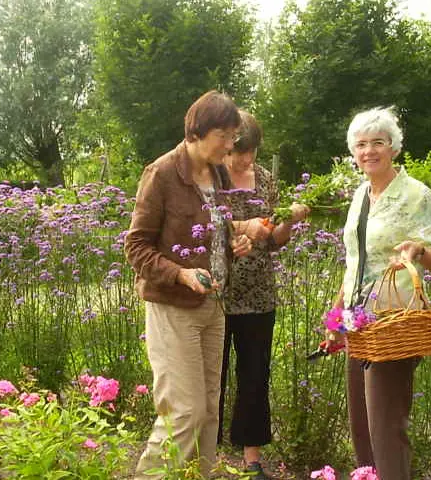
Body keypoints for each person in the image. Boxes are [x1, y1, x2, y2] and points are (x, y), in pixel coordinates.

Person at [124, 90, 254, 479]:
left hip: (213, 306)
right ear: (197, 131)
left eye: (234, 137)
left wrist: (234, 244)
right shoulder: (162, 174)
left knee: (209, 410)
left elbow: (216, 232)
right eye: (225, 136)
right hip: (172, 307)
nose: (231, 145)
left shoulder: (218, 174)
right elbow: (135, 246)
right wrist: (179, 273)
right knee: (184, 411)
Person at [325, 106, 431, 480]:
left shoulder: (416, 195)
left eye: (378, 142)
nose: (369, 151)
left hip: (395, 322)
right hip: (357, 321)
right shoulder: (360, 195)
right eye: (360, 145)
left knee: (385, 426)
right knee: (361, 425)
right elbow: (355, 262)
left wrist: (417, 251)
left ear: (393, 147)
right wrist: (335, 317)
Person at [217, 110, 309, 480]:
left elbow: (274, 242)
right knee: (212, 376)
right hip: (216, 295)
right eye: (240, 151)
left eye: (252, 151)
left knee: (255, 374)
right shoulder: (211, 178)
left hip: (258, 294)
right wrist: (240, 228)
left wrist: (289, 221)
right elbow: (198, 227)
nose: (246, 160)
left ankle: (251, 458)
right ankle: (203, 453)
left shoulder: (266, 181)